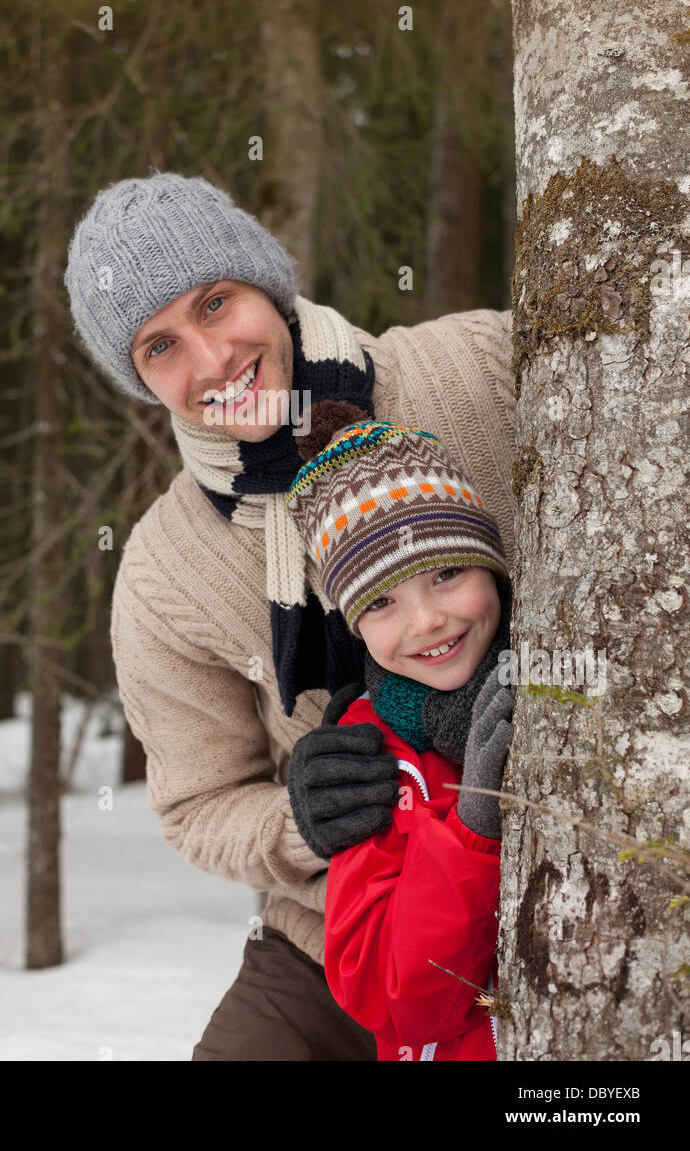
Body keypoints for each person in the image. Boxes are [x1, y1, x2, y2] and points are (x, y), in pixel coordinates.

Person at [63, 169, 517, 1060]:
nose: (210, 362)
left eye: (216, 303)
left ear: (267, 283)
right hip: (344, 928)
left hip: (555, 873)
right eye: (158, 347)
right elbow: (199, 806)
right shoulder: (165, 570)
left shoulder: (476, 369)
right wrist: (303, 823)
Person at [284, 399, 514, 1061]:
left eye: (447, 574)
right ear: (354, 626)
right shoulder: (371, 763)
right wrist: (473, 828)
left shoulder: (555, 676)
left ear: (492, 566)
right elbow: (390, 999)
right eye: (381, 601)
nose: (427, 621)